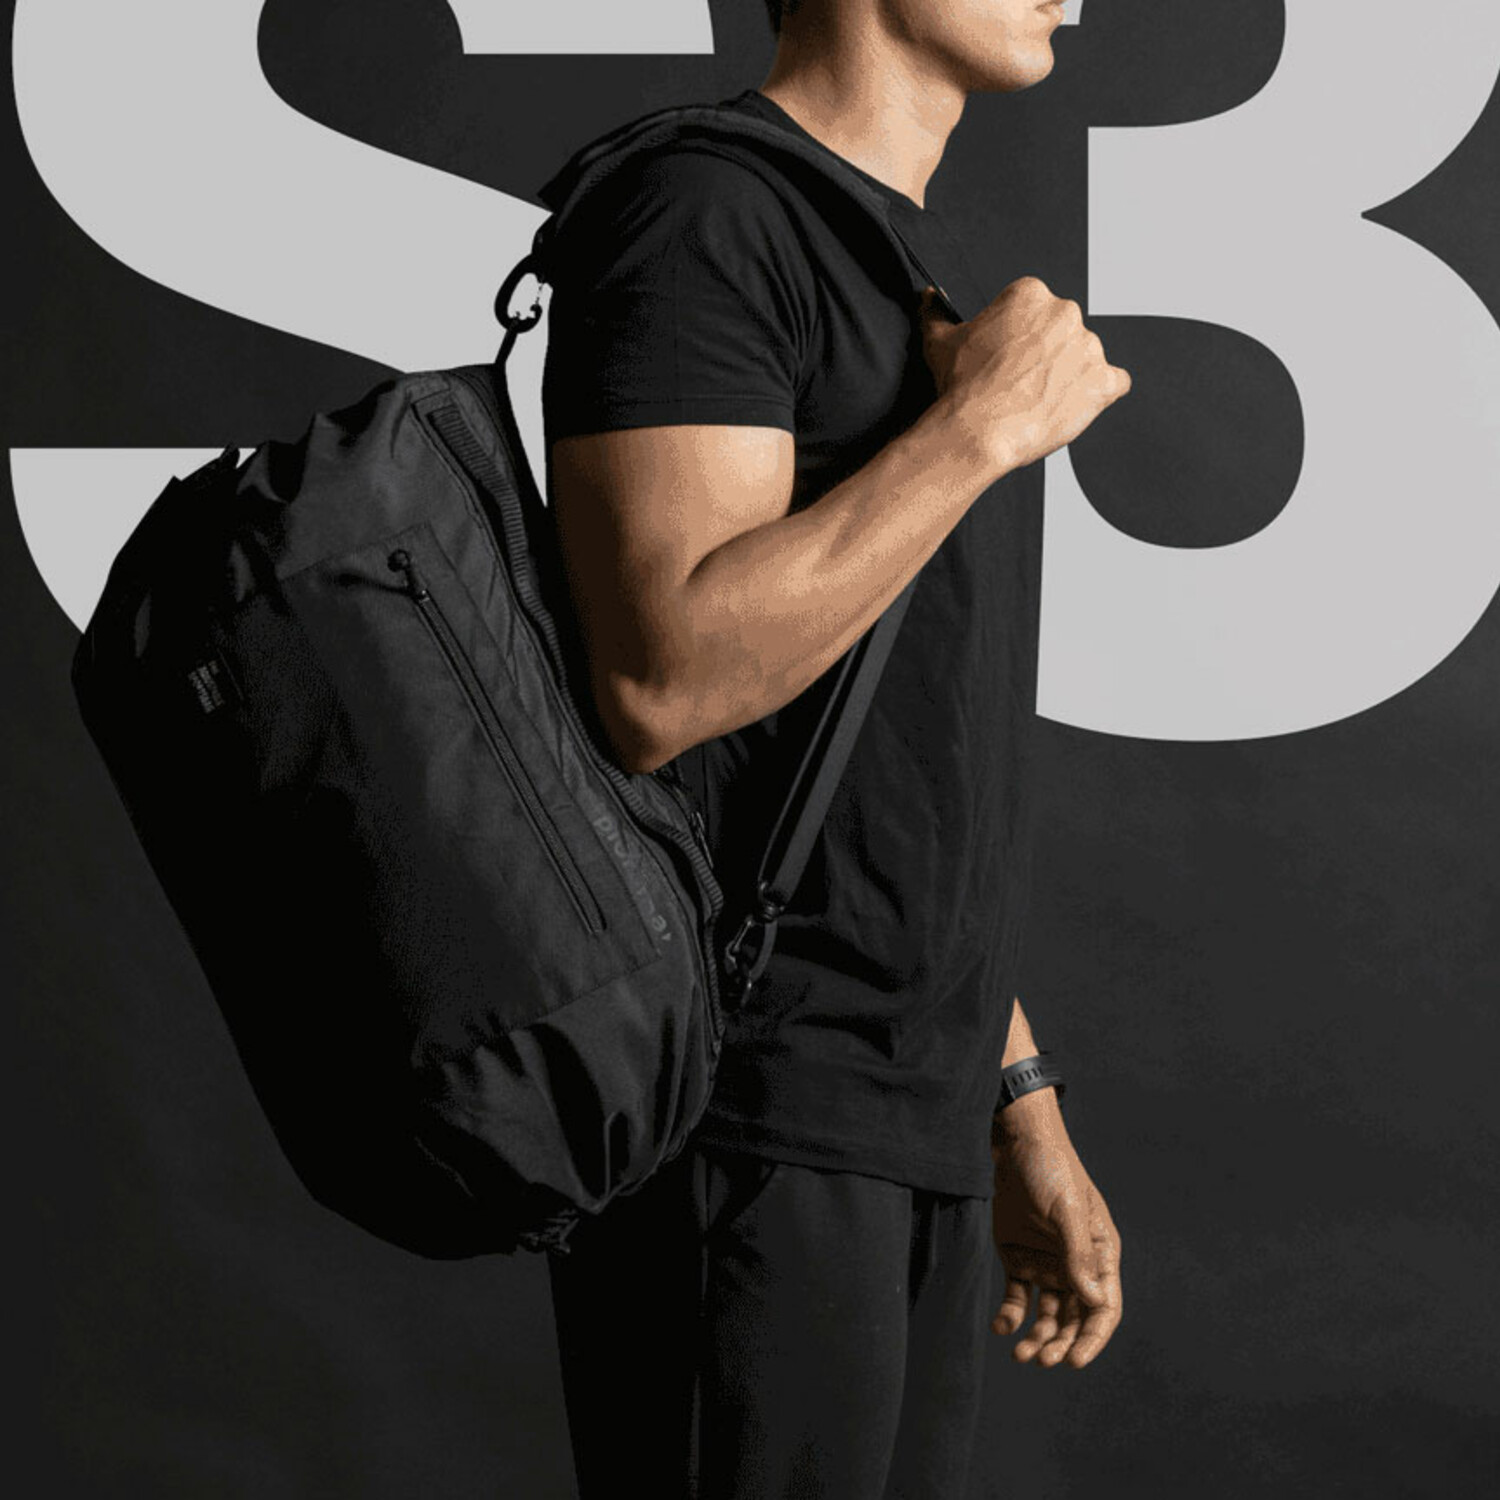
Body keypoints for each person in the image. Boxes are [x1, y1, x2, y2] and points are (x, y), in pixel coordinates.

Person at [538, 2, 1128, 1495]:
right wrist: (976, 433)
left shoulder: (890, 254)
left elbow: (873, 766)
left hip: (903, 1120)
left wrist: (1015, 1098)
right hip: (748, 1111)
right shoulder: (702, 214)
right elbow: (663, 679)